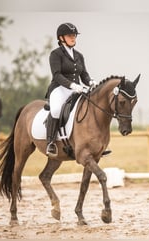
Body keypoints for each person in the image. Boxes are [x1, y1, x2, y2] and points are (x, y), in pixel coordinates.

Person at [45, 22, 98, 157]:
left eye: (74, 35)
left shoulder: (79, 55)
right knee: (56, 110)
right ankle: (50, 142)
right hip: (60, 88)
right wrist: (72, 85)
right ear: (61, 38)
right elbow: (57, 75)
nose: (73, 37)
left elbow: (83, 74)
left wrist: (90, 82)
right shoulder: (55, 54)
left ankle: (94, 144)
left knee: (91, 106)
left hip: (77, 89)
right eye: (70, 35)